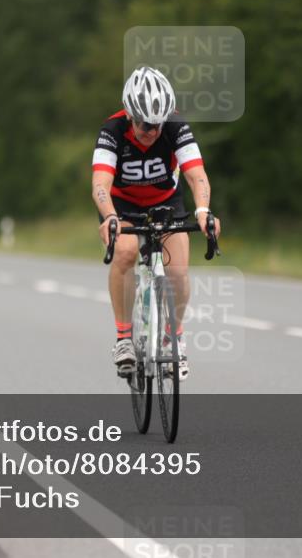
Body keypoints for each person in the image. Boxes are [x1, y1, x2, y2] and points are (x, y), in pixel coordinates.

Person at [91, 66, 221, 380]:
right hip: (121, 205)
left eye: (157, 124)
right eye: (144, 124)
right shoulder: (112, 130)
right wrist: (110, 216)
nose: (151, 131)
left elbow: (196, 175)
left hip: (166, 202)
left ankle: (173, 337)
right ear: (130, 115)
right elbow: (100, 184)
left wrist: (203, 210)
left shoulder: (175, 126)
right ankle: (124, 339)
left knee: (178, 271)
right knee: (124, 253)